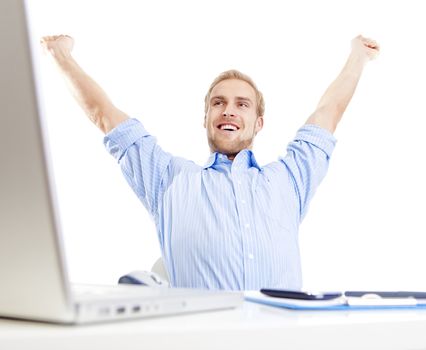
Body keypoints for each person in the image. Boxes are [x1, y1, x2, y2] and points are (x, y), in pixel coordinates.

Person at [41, 34, 380, 290]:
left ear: (258, 122)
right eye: (219, 102)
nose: (229, 109)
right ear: (206, 118)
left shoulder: (289, 178)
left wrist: (358, 55)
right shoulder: (168, 178)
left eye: (242, 104)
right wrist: (61, 55)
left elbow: (328, 112)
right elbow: (105, 116)